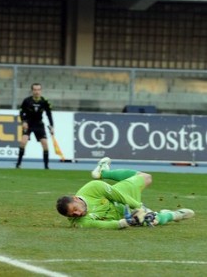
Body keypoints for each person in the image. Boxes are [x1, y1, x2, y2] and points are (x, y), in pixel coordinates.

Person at [56, 157, 194, 229]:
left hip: (121, 197)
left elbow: (119, 196)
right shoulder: (79, 222)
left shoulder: (91, 188)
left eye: (75, 209)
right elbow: (102, 225)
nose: (77, 214)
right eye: (72, 215)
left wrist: (142, 208)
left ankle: (104, 172)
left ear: (76, 199)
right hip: (123, 214)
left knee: (146, 178)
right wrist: (125, 222)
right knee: (155, 220)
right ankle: (176, 215)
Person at [15, 83, 54, 169]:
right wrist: (24, 122)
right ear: (32, 91)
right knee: (23, 142)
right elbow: (21, 112)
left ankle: (46, 166)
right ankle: (18, 164)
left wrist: (51, 126)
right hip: (28, 124)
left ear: (41, 90)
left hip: (39, 124)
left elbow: (49, 114)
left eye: (38, 90)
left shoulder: (44, 101)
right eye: (35, 90)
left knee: (45, 144)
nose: (37, 92)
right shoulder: (27, 101)